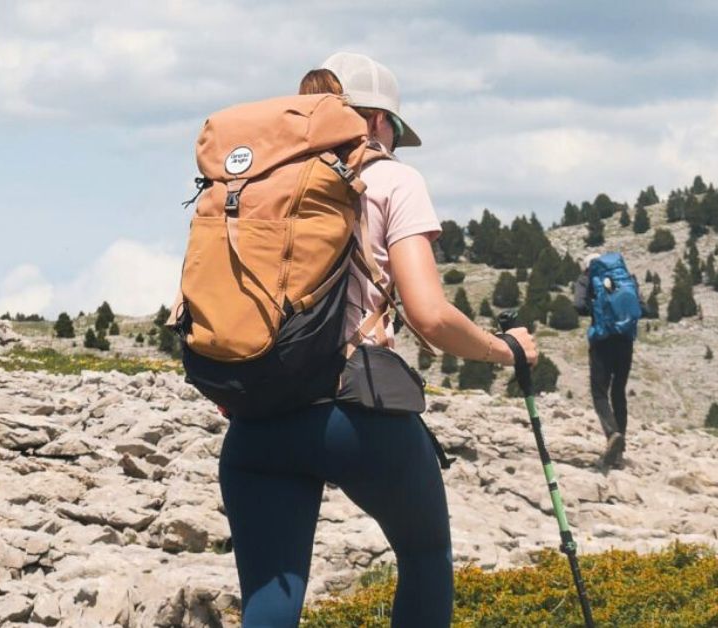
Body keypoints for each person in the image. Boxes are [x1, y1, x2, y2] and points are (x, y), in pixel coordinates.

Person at [217, 53, 538, 628]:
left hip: (258, 416)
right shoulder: (393, 178)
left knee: (271, 601)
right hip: (355, 414)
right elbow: (431, 317)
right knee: (424, 557)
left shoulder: (252, 181)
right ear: (377, 122)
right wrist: (503, 349)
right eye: (392, 127)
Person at [573, 252, 649, 470]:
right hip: (625, 340)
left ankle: (612, 434)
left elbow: (578, 305)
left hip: (602, 341)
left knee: (599, 392)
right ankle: (619, 452)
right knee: (619, 392)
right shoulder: (625, 277)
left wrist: (595, 309)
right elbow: (643, 308)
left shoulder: (586, 278)